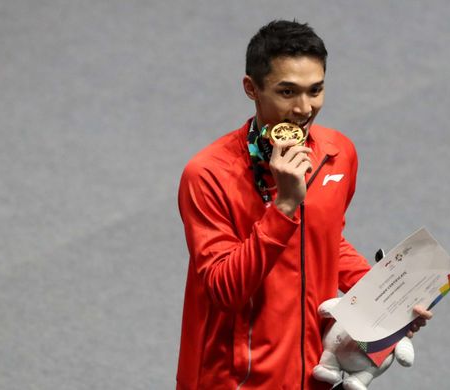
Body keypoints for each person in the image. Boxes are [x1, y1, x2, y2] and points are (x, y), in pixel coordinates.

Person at [176, 20, 432, 389]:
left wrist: (385, 299)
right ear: (252, 88)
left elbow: (327, 240)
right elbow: (224, 290)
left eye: (316, 90)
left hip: (314, 373)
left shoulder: (337, 153)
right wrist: (284, 206)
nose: (303, 108)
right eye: (287, 92)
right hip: (233, 380)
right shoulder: (207, 174)